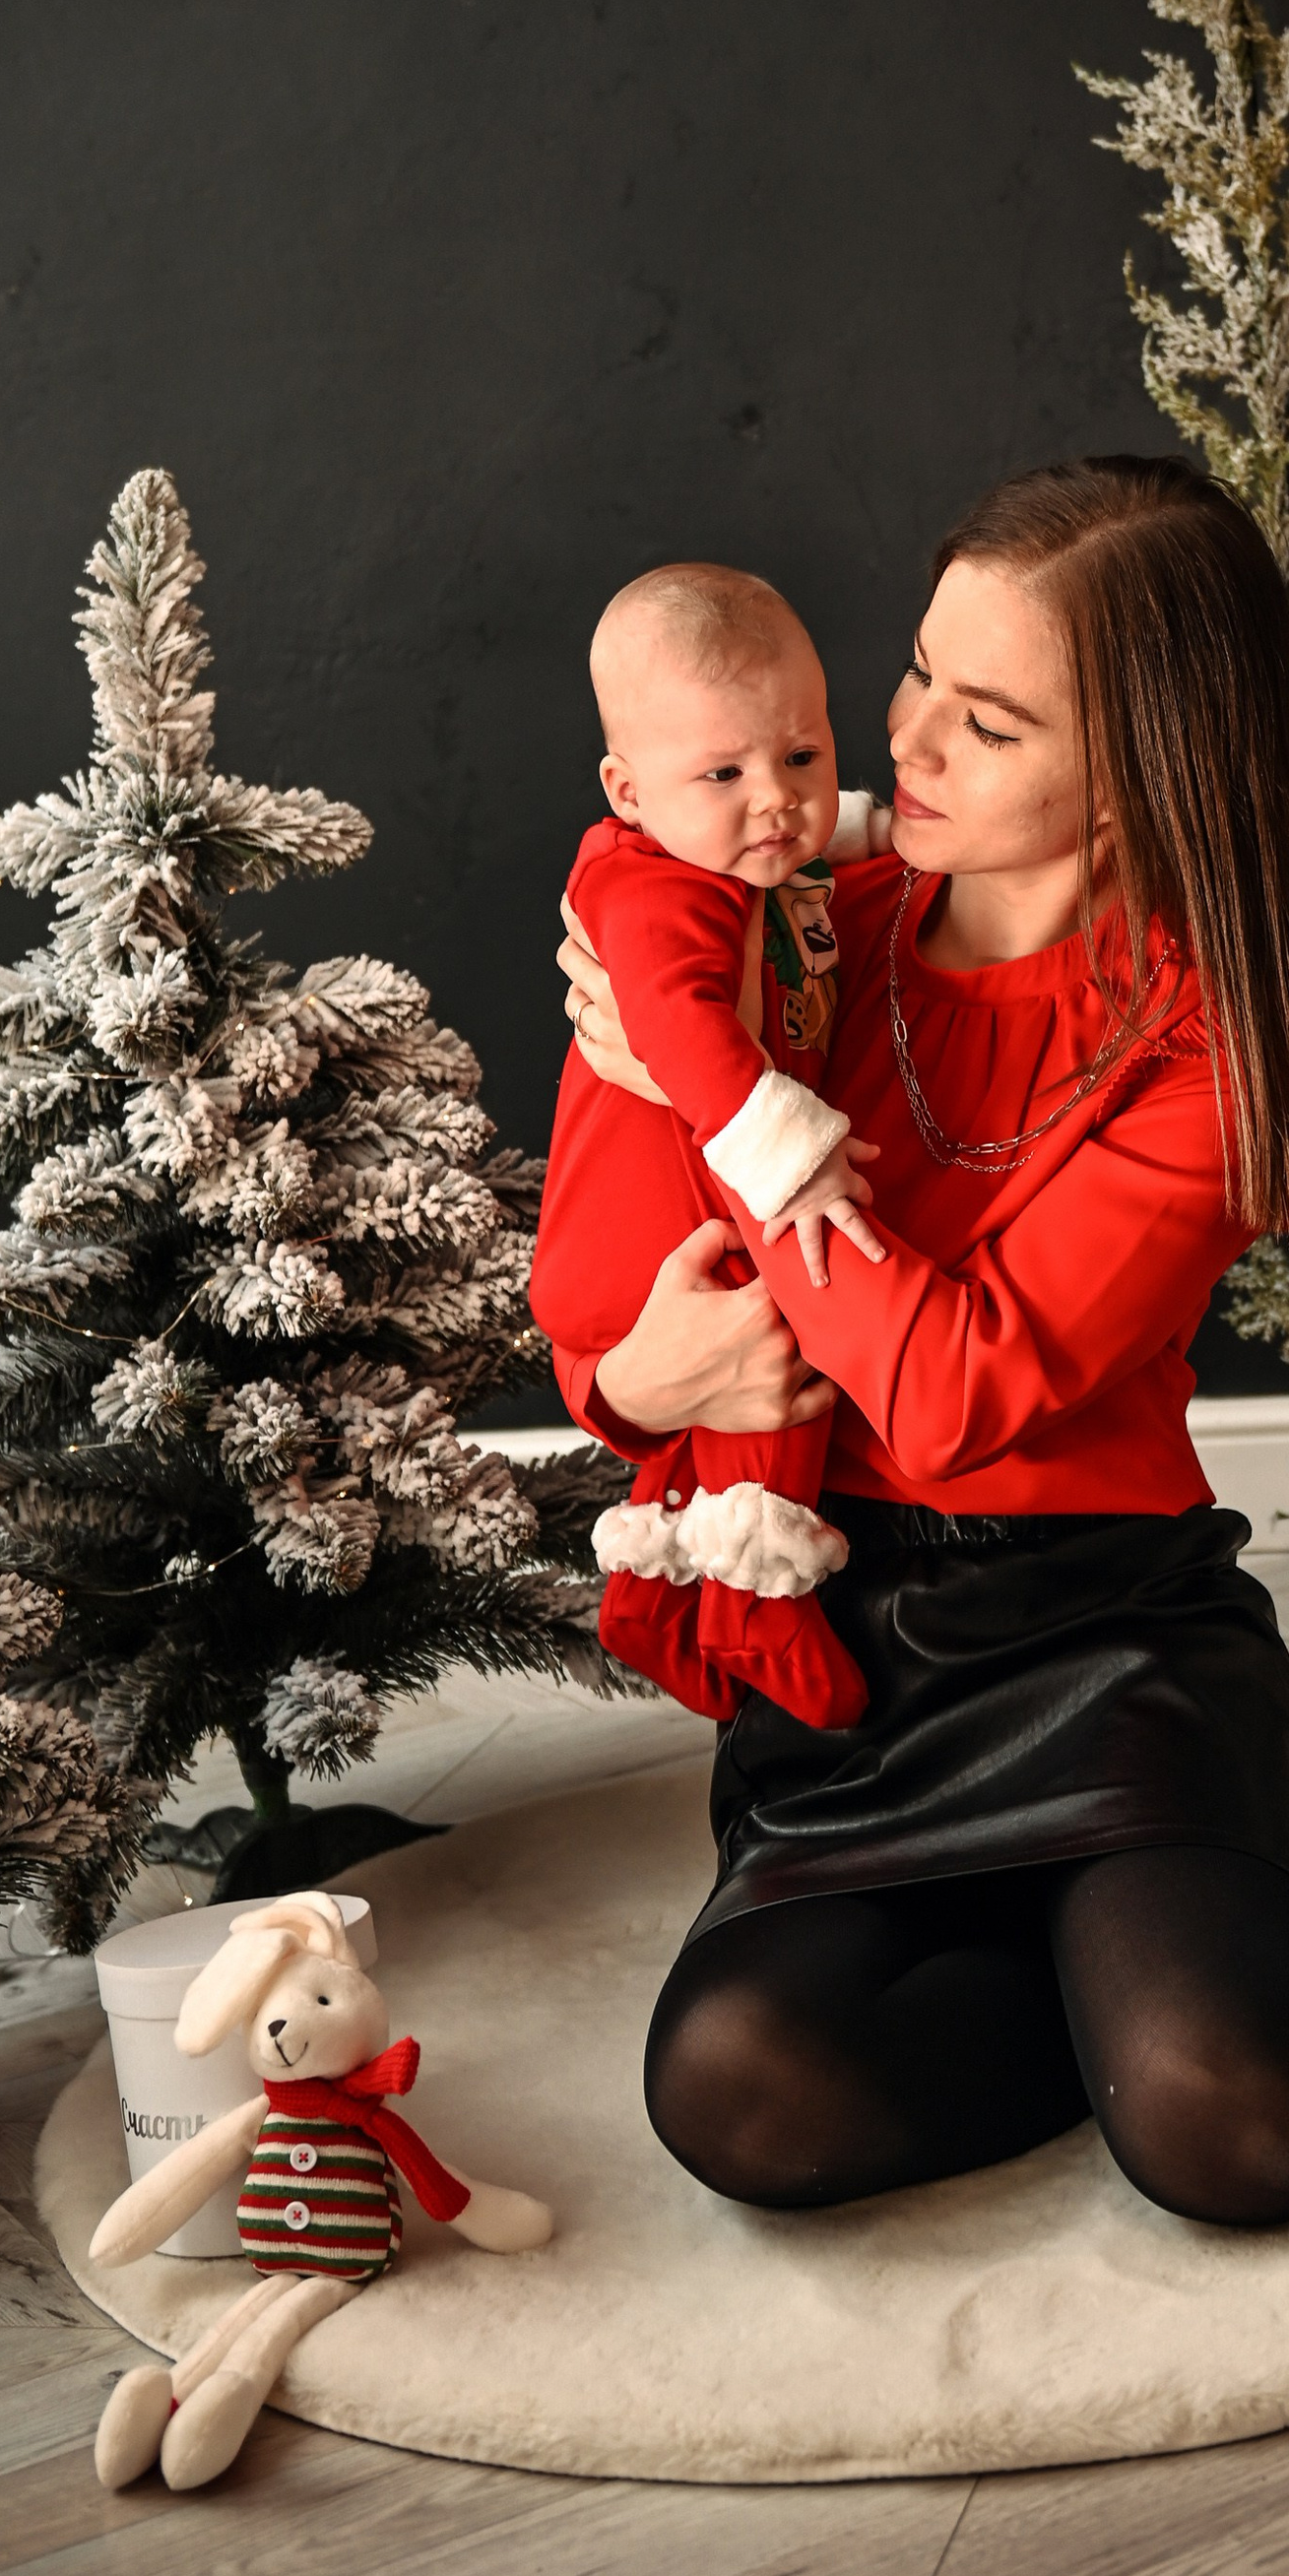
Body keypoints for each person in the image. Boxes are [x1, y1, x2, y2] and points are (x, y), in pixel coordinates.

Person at [553, 458, 1289, 2224]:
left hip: (1099, 1644)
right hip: (843, 1653)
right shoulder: (798, 931)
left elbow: (952, 1400)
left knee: (1232, 2123)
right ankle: (1117, 1975)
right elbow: (617, 1293)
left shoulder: (1221, 1040)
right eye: (920, 677)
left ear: (1138, 772)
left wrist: (725, 1115)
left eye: (990, 717)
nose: (906, 743)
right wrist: (637, 1376)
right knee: (743, 2092)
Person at [531, 563, 888, 1731]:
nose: (776, 801)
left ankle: (656, 1590)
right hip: (653, 1236)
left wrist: (883, 826)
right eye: (724, 774)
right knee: (782, 1359)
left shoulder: (727, 850)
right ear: (627, 792)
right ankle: (752, 1608)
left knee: (749, 1388)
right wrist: (796, 1156)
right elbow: (679, 1030)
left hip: (665, 1221)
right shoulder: (655, 893)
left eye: (800, 754)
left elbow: (825, 849)